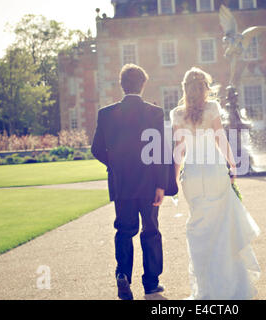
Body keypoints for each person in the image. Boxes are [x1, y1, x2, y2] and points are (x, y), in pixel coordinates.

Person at [170, 67, 260, 300]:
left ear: (185, 89)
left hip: (192, 177)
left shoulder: (176, 114)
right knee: (222, 229)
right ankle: (229, 288)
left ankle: (207, 290)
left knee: (198, 230)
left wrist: (173, 177)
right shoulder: (212, 108)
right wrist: (232, 165)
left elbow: (179, 150)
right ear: (204, 88)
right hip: (214, 173)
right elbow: (221, 139)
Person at [91, 64, 169, 300]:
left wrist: (115, 165)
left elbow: (96, 149)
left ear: (121, 84)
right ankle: (151, 283)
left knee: (124, 230)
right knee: (151, 231)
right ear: (143, 85)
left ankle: (123, 275)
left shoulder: (106, 114)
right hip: (149, 184)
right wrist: (161, 185)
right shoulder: (155, 113)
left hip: (121, 182)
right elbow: (161, 151)